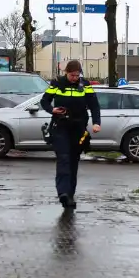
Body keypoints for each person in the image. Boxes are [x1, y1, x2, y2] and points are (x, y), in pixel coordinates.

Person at [40, 60, 101, 209]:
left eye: (77, 75)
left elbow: (94, 104)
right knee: (64, 158)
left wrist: (96, 122)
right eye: (72, 75)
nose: (75, 78)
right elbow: (44, 101)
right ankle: (63, 193)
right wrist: (51, 110)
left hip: (78, 128)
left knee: (73, 161)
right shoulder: (56, 84)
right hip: (60, 126)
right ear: (66, 72)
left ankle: (70, 195)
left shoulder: (85, 85)